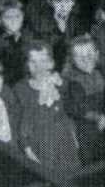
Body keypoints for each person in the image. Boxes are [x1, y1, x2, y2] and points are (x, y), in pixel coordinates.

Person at [12, 40, 80, 177]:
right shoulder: (20, 89)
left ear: (51, 63)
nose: (39, 67)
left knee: (72, 177)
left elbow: (69, 111)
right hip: (40, 142)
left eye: (43, 61)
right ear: (26, 65)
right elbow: (21, 123)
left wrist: (73, 135)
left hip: (63, 138)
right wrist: (27, 149)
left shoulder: (59, 82)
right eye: (33, 62)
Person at [62, 34, 105, 162]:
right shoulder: (73, 80)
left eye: (89, 54)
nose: (86, 59)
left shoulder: (100, 73)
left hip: (104, 121)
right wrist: (98, 118)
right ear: (72, 59)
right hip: (84, 126)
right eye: (80, 57)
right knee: (90, 158)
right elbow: (74, 108)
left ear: (97, 54)